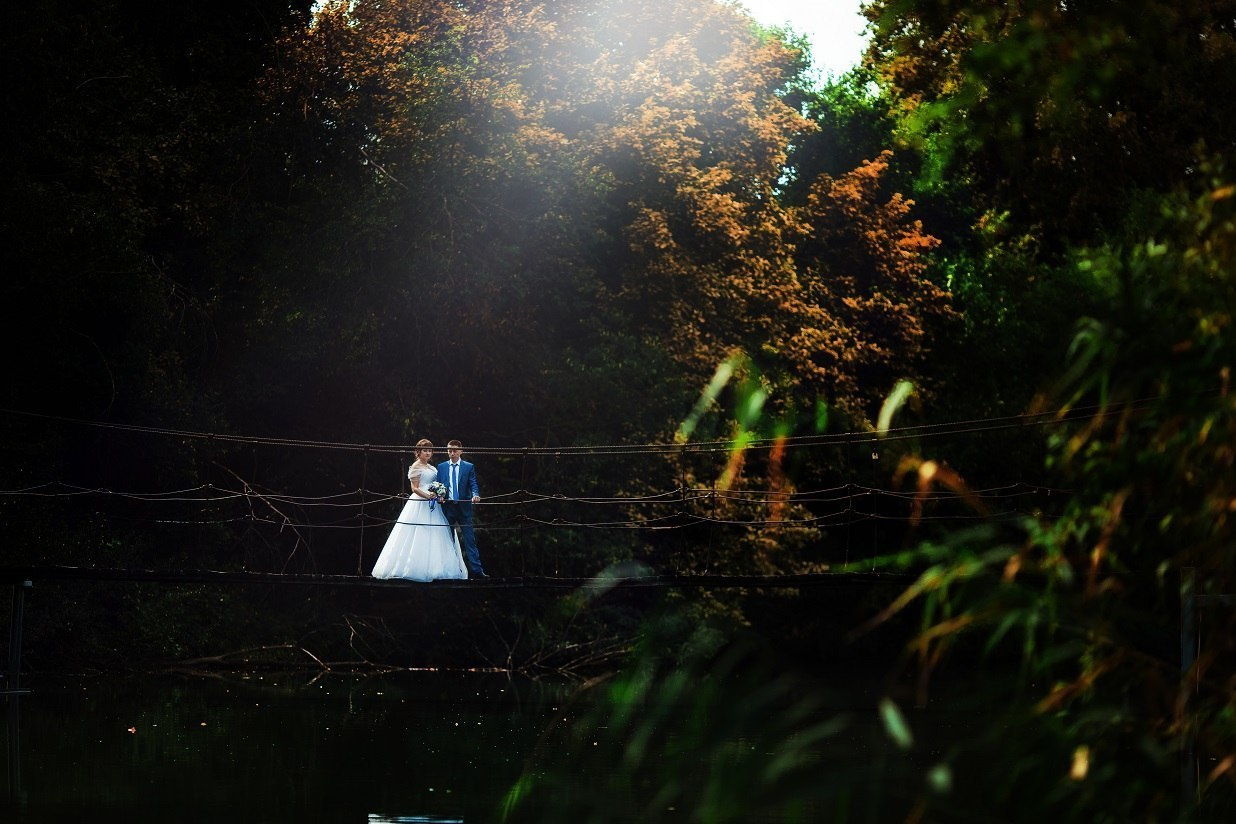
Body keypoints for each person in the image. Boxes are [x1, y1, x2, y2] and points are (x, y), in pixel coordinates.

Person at [371, 439, 467, 581]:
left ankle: (436, 568)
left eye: (430, 450)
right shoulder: (416, 466)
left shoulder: (431, 467)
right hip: (421, 501)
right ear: (419, 452)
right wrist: (428, 496)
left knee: (436, 532)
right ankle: (413, 567)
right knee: (418, 531)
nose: (428, 453)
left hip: (433, 502)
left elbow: (436, 483)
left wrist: (439, 493)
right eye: (425, 450)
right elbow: (414, 488)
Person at [438, 439, 487, 577]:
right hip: (447, 507)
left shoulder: (468, 467)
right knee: (447, 540)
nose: (452, 453)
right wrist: (439, 496)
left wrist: (475, 494)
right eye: (449, 450)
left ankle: (477, 571)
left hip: (464, 508)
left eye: (454, 450)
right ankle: (449, 571)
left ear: (461, 451)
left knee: (470, 541)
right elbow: (438, 485)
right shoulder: (441, 467)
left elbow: (473, 483)